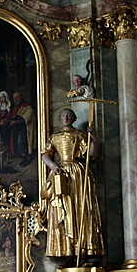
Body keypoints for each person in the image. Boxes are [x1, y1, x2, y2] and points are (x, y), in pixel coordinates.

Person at [39, 108, 104, 261]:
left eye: (69, 115)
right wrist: (53, 166)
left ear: (73, 118)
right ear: (60, 119)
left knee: (80, 207)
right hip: (60, 172)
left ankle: (82, 248)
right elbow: (44, 155)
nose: (66, 118)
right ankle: (64, 248)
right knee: (61, 207)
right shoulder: (55, 137)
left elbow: (91, 154)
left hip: (78, 173)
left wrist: (94, 138)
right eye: (63, 116)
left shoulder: (79, 134)